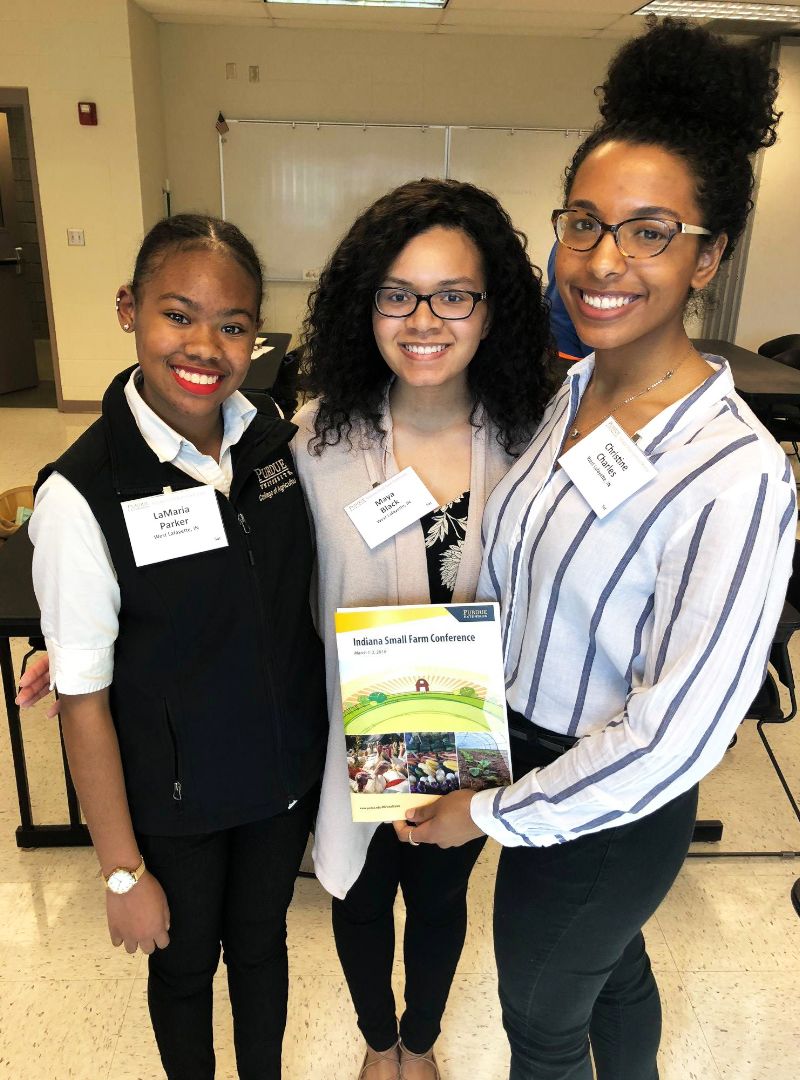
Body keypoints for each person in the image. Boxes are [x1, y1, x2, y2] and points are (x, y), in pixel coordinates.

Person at [405, 19, 796, 1080]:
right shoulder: (569, 390)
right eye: (583, 223)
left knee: (541, 1025)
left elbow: (675, 736)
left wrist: (486, 814)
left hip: (606, 798)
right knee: (611, 973)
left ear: (709, 256)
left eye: (650, 232)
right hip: (512, 741)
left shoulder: (734, 471)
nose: (604, 260)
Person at [26, 214, 327, 1080]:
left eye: (232, 324)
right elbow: (83, 702)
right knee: (185, 967)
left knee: (262, 950)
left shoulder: (270, 438)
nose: (204, 346)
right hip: (175, 802)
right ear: (129, 309)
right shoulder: (83, 494)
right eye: (177, 315)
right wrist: (122, 872)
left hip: (278, 781)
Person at [293, 178, 554, 1078]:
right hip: (353, 731)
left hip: (471, 734)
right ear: (365, 307)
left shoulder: (531, 445)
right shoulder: (317, 443)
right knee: (361, 900)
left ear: (492, 309)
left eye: (454, 296)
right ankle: (379, 1042)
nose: (424, 321)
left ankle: (425, 1037)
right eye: (397, 295)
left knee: (440, 902)